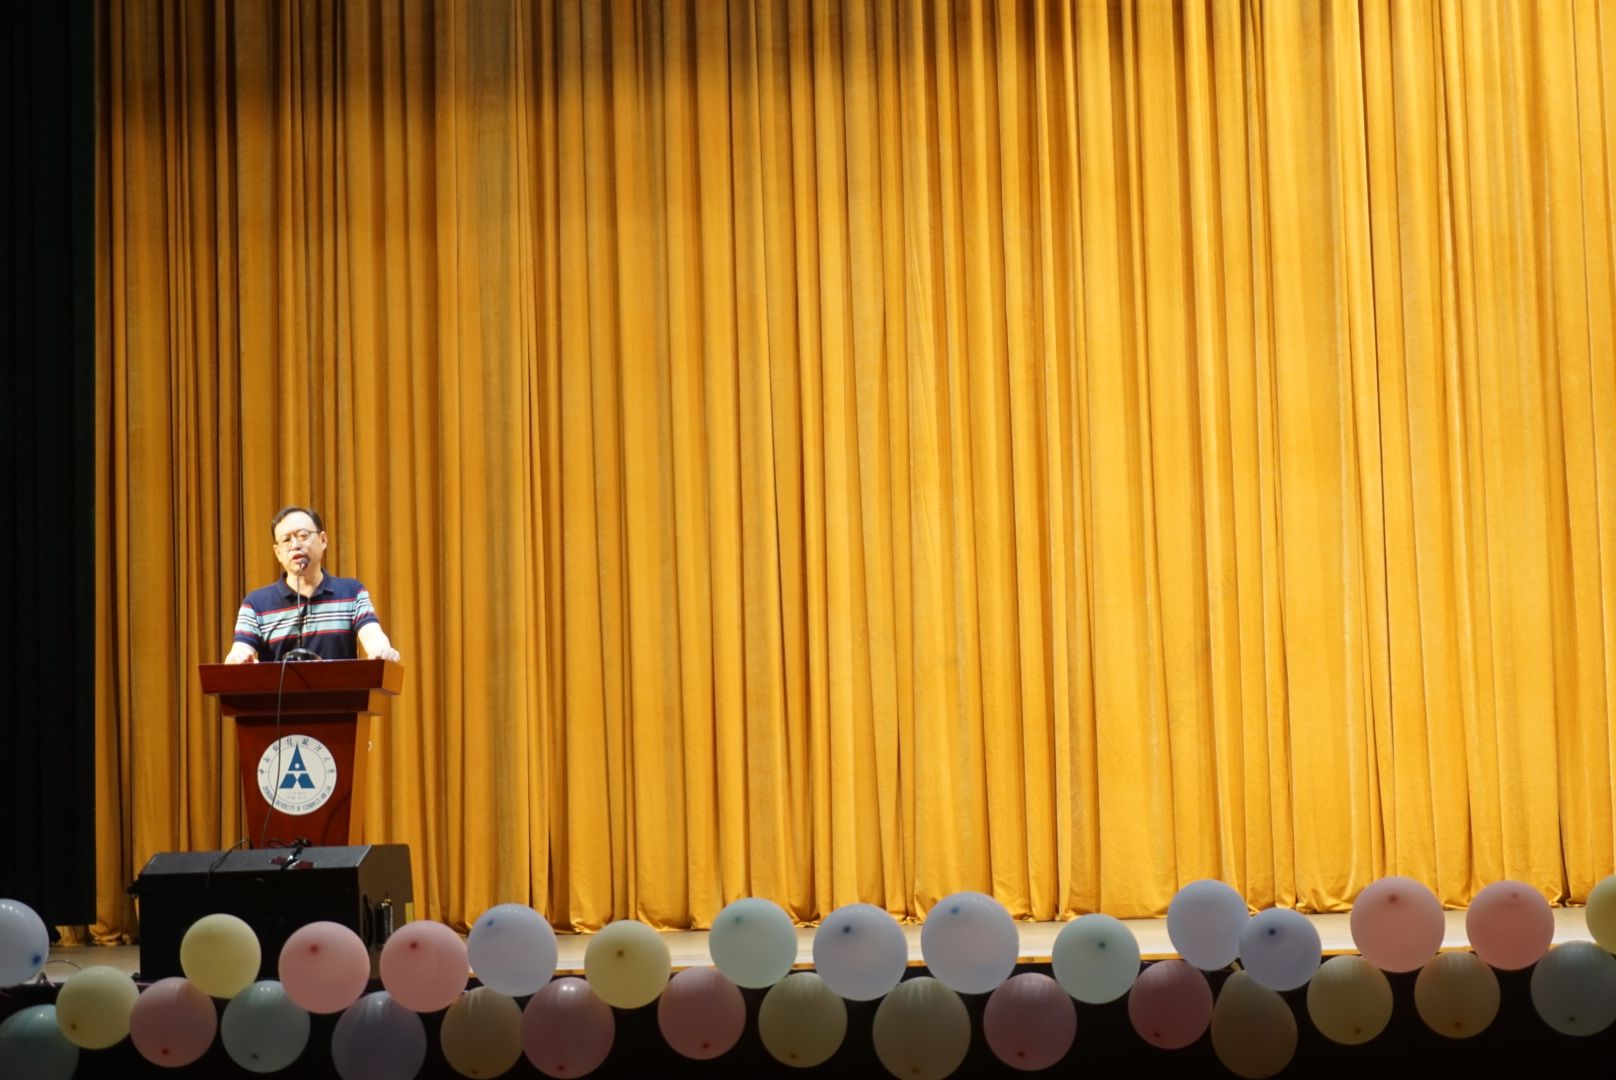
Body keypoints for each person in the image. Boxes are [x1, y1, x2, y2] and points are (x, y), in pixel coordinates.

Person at [224, 506, 401, 664]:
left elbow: (373, 636)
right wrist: (238, 658)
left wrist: (381, 650)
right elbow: (239, 651)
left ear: (323, 540)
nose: (295, 545)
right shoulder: (256, 604)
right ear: (277, 553)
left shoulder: (351, 592)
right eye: (286, 540)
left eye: (302, 536)